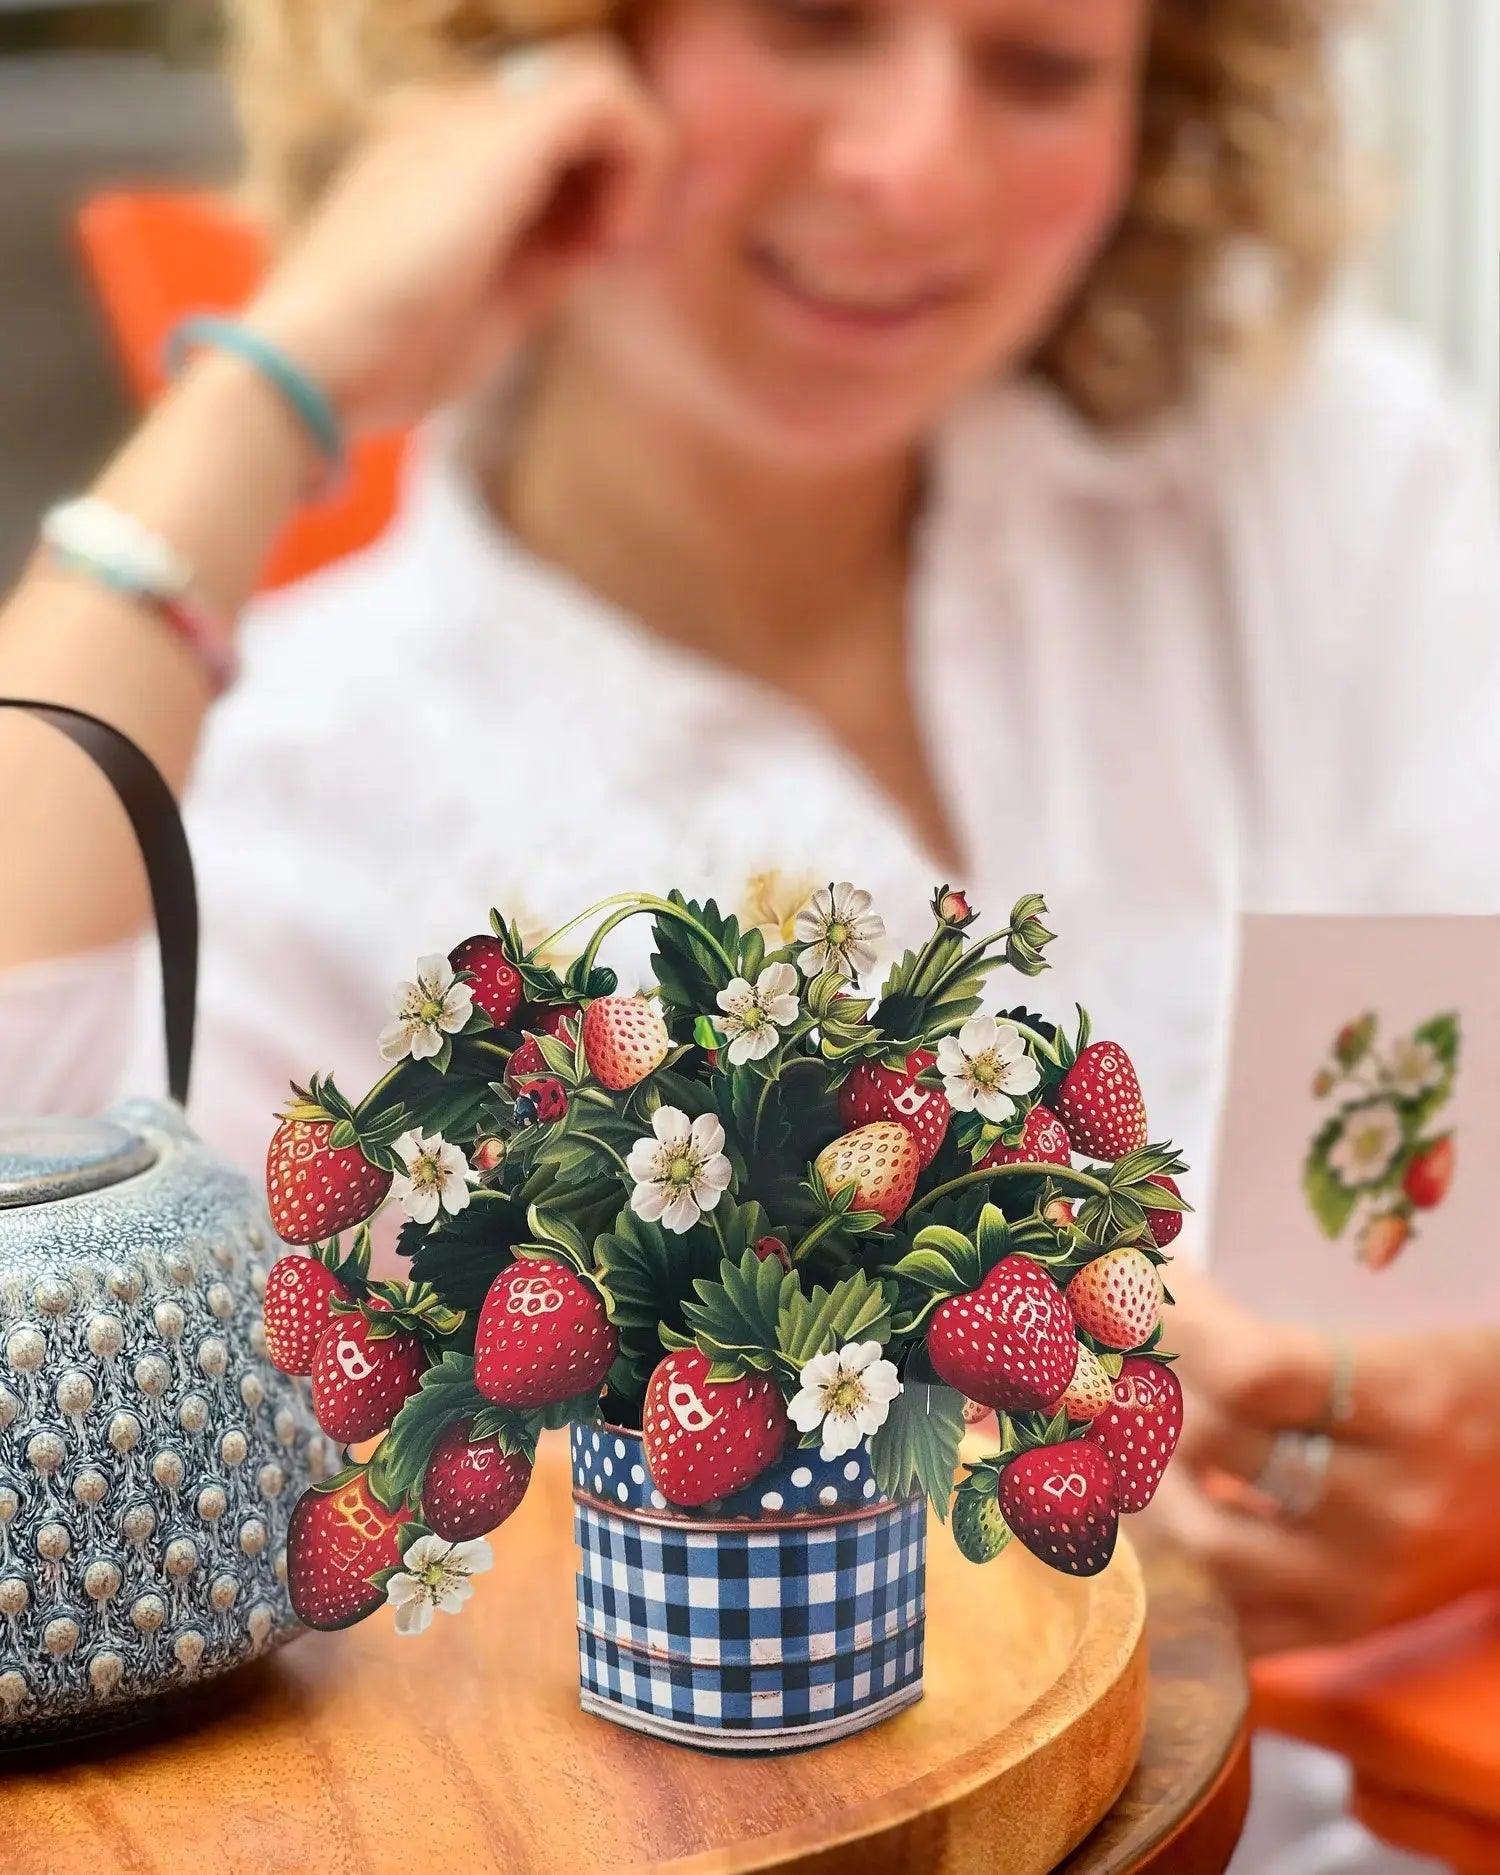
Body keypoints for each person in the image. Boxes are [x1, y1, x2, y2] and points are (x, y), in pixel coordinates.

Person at [1, 3, 1496, 1865]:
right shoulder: (288, 801)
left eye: (1042, 67)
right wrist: (276, 376)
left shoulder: (1311, 493)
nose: (914, 169)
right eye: (812, 17)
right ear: (535, 55)